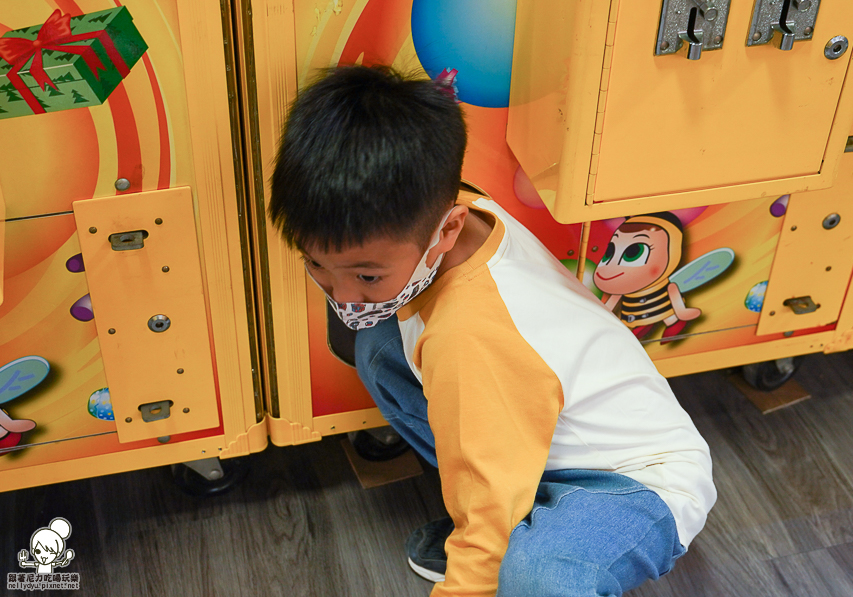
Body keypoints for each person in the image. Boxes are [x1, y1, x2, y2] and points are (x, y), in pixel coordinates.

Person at [268, 65, 717, 597]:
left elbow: (485, 480)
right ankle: (510, 530)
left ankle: (511, 543)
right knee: (377, 344)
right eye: (317, 264)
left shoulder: (472, 335)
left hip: (636, 485)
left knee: (540, 580)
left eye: (367, 275)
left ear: (447, 227)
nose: (342, 295)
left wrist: (474, 566)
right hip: (534, 430)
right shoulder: (457, 203)